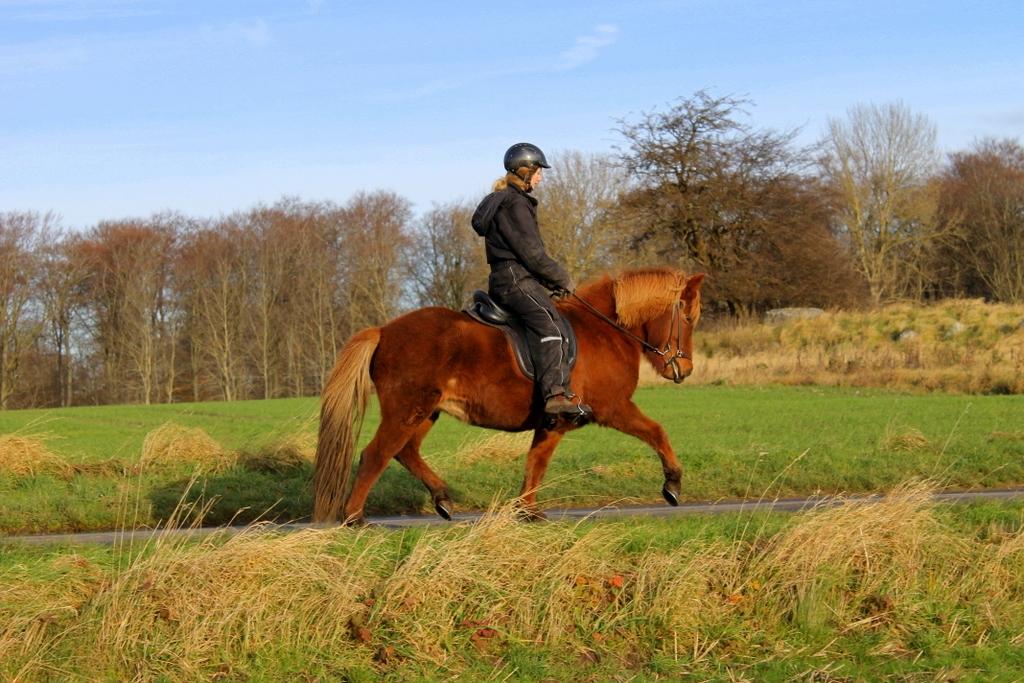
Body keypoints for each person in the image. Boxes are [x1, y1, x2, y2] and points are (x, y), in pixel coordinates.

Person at [471, 142, 592, 421]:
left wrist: (548, 281)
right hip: (515, 279)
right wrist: (562, 278)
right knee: (552, 325)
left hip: (509, 277)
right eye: (538, 171)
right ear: (525, 172)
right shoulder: (514, 203)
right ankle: (556, 395)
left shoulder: (506, 201)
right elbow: (532, 253)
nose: (541, 177)